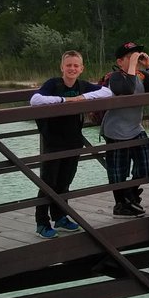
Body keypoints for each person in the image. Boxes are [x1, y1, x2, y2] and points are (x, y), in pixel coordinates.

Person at [27, 51, 110, 239]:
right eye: (68, 65)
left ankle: (60, 216)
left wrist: (82, 98)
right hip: (53, 141)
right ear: (62, 67)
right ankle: (42, 222)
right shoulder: (53, 84)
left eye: (76, 66)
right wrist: (65, 100)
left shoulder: (82, 85)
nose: (72, 69)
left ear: (81, 69)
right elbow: (35, 100)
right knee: (48, 182)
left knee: (65, 181)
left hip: (73, 139)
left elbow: (107, 91)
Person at [102, 42, 149, 217]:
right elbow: (127, 90)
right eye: (130, 57)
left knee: (147, 165)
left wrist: (148, 65)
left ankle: (129, 194)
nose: (134, 60)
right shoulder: (115, 77)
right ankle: (121, 205)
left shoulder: (141, 76)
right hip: (115, 130)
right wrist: (133, 67)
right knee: (118, 171)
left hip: (135, 128)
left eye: (136, 55)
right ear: (120, 62)